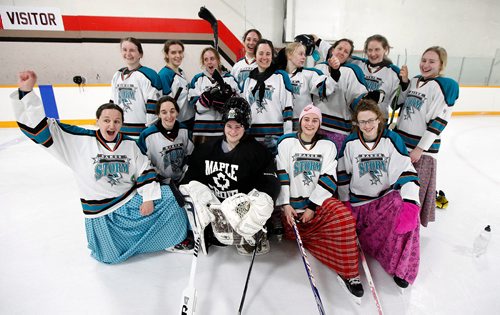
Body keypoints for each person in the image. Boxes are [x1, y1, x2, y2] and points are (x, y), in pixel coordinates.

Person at [12, 71, 189, 264]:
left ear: (121, 124)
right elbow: (42, 130)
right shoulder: (78, 140)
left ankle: (170, 240)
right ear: (97, 121)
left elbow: (144, 169)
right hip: (102, 214)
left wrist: (147, 198)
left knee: (172, 197)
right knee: (109, 257)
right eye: (106, 120)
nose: (111, 125)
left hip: (129, 204)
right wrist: (26, 93)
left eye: (116, 121)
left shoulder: (129, 144)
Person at [276, 104, 364, 298]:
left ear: (320, 124)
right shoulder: (286, 143)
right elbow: (281, 174)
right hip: (292, 211)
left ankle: (349, 273)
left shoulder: (328, 146)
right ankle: (328, 242)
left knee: (345, 219)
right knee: (303, 236)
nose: (310, 124)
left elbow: (328, 178)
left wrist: (313, 207)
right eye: (307, 119)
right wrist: (285, 205)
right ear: (300, 121)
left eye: (315, 120)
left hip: (317, 206)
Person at [337, 99, 421, 288]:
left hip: (384, 200)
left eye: (371, 120)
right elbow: (342, 175)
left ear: (379, 119)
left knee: (408, 216)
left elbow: (406, 171)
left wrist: (410, 203)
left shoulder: (391, 139)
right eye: (362, 122)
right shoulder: (350, 143)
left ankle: (402, 269)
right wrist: (345, 203)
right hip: (359, 206)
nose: (367, 125)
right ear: (357, 123)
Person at [182, 97, 279, 255]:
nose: (233, 131)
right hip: (216, 215)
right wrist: (195, 199)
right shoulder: (206, 150)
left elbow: (270, 183)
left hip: (242, 213)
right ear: (223, 125)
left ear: (245, 127)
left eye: (238, 126)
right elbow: (191, 178)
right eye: (229, 126)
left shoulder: (258, 152)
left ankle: (254, 234)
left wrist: (262, 202)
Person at [394, 46, 459, 227]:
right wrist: (405, 81)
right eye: (424, 60)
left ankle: (410, 230)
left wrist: (420, 148)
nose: (425, 65)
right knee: (398, 189)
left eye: (432, 61)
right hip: (402, 144)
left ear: (441, 64)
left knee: (415, 192)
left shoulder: (443, 86)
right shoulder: (415, 80)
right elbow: (399, 103)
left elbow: (439, 121)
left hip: (421, 150)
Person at [312, 38, 369, 151]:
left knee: (336, 167)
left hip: (339, 130)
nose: (342, 52)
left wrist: (366, 100)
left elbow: (356, 101)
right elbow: (315, 93)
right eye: (340, 48)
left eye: (346, 51)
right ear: (333, 50)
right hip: (315, 127)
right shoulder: (319, 68)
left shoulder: (352, 72)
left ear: (348, 57)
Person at [241, 39, 294, 154]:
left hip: (275, 138)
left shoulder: (281, 77)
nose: (264, 57)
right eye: (261, 53)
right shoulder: (248, 80)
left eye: (268, 54)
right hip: (252, 138)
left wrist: (285, 140)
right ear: (255, 55)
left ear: (272, 56)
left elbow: (288, 110)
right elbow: (245, 112)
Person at [275, 42, 335, 130]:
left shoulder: (309, 74)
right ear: (289, 55)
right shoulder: (277, 76)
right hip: (281, 123)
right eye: (300, 54)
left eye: (304, 54)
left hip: (303, 124)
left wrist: (335, 72)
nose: (304, 57)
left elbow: (325, 89)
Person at [110, 37, 162, 137]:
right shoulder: (117, 75)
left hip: (142, 132)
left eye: (132, 50)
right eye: (124, 50)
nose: (128, 54)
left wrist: (149, 132)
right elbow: (113, 103)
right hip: (120, 132)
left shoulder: (149, 75)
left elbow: (154, 107)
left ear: (140, 54)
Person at [188, 47, 240, 144]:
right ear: (203, 63)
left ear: (218, 60)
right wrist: (209, 99)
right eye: (206, 59)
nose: (209, 62)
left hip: (225, 132)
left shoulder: (230, 79)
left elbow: (238, 105)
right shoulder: (198, 79)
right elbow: (196, 107)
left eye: (212, 58)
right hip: (202, 133)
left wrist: (227, 102)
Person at [138, 96, 194, 185]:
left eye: (172, 111)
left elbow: (190, 155)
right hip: (157, 182)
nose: (169, 116)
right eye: (164, 112)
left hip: (181, 180)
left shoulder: (185, 130)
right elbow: (141, 162)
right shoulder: (147, 135)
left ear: (177, 112)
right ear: (158, 114)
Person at [351, 34, 404, 119]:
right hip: (356, 120)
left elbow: (395, 105)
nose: (373, 54)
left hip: (379, 122)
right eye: (370, 50)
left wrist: (391, 124)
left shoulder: (394, 73)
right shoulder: (358, 64)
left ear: (385, 49)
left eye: (377, 50)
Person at [158, 40, 194, 128]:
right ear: (167, 54)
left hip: (189, 120)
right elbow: (165, 104)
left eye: (180, 52)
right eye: (173, 52)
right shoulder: (164, 75)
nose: (178, 56)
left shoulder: (181, 72)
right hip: (177, 124)